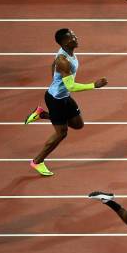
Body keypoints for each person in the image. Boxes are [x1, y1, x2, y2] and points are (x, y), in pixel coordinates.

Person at [24, 29, 108, 176]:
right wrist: (94, 85)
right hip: (56, 100)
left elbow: (53, 66)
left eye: (75, 35)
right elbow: (71, 86)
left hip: (64, 97)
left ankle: (42, 114)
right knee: (61, 133)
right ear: (64, 42)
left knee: (78, 124)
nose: (76, 38)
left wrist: (54, 81)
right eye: (72, 37)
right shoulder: (63, 61)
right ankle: (37, 161)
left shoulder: (67, 53)